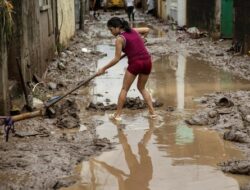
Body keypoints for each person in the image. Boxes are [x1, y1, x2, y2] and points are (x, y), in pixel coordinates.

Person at [97, 17, 156, 121]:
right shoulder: (132, 30)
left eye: (111, 30)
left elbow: (116, 59)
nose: (111, 32)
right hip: (147, 61)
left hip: (136, 63)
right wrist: (142, 39)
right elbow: (147, 29)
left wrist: (103, 68)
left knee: (125, 89)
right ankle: (152, 113)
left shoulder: (119, 39)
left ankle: (118, 115)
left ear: (117, 27)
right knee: (142, 88)